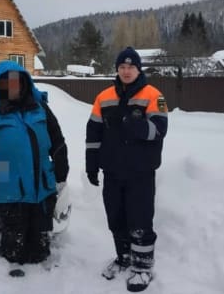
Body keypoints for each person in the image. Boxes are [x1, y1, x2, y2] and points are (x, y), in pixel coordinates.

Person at [0, 60, 69, 277]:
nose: (13, 86)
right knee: (14, 223)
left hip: (40, 174)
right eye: (7, 82)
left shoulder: (40, 107)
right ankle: (14, 261)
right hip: (4, 173)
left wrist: (61, 167)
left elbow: (57, 139)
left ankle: (40, 258)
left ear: (24, 82)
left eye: (17, 81)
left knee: (40, 221)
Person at [85, 47, 168, 292]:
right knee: (116, 218)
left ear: (138, 69)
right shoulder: (103, 97)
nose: (126, 71)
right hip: (112, 171)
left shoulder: (155, 95)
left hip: (140, 173)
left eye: (131, 67)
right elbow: (93, 133)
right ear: (117, 69)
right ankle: (123, 258)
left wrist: (137, 126)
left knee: (139, 219)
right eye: (122, 67)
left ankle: (142, 267)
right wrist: (91, 164)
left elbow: (160, 129)